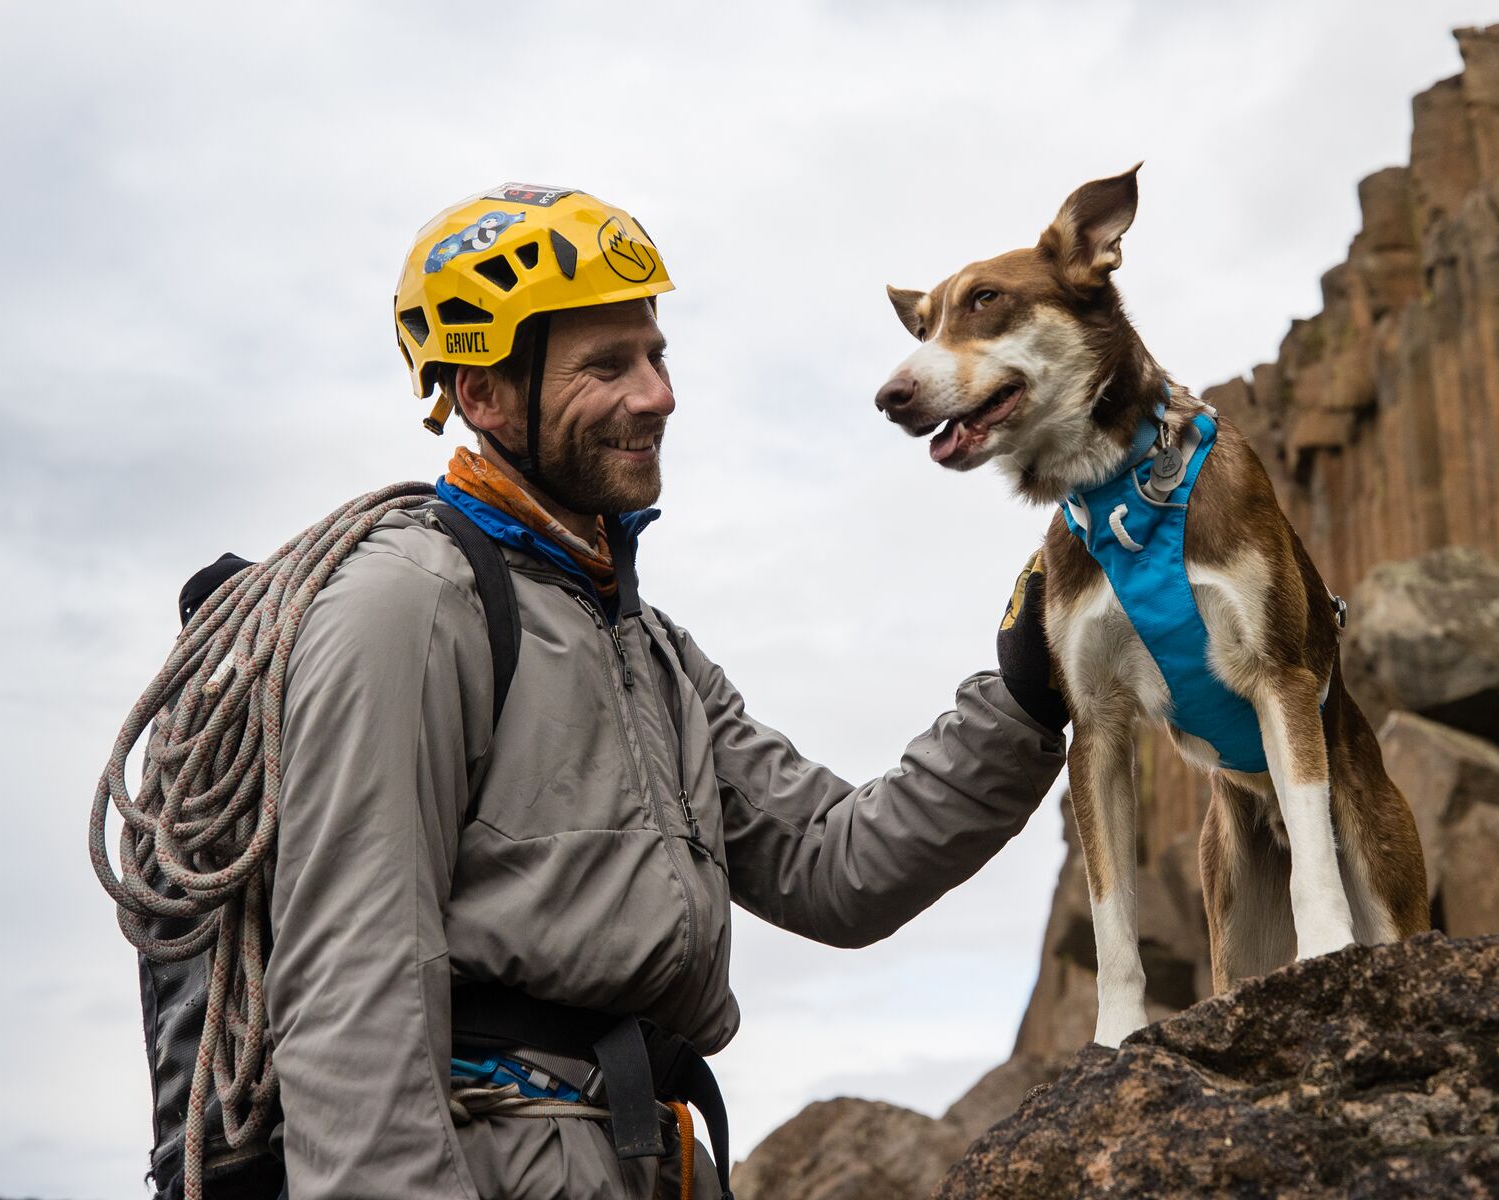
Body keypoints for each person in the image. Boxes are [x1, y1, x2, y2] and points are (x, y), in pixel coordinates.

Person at [266, 184, 1070, 1199]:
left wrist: (1026, 699)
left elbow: (836, 865)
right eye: (608, 364)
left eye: (657, 354)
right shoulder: (412, 606)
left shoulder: (648, 648)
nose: (658, 394)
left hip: (644, 1158)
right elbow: (352, 1002)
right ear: (484, 394)